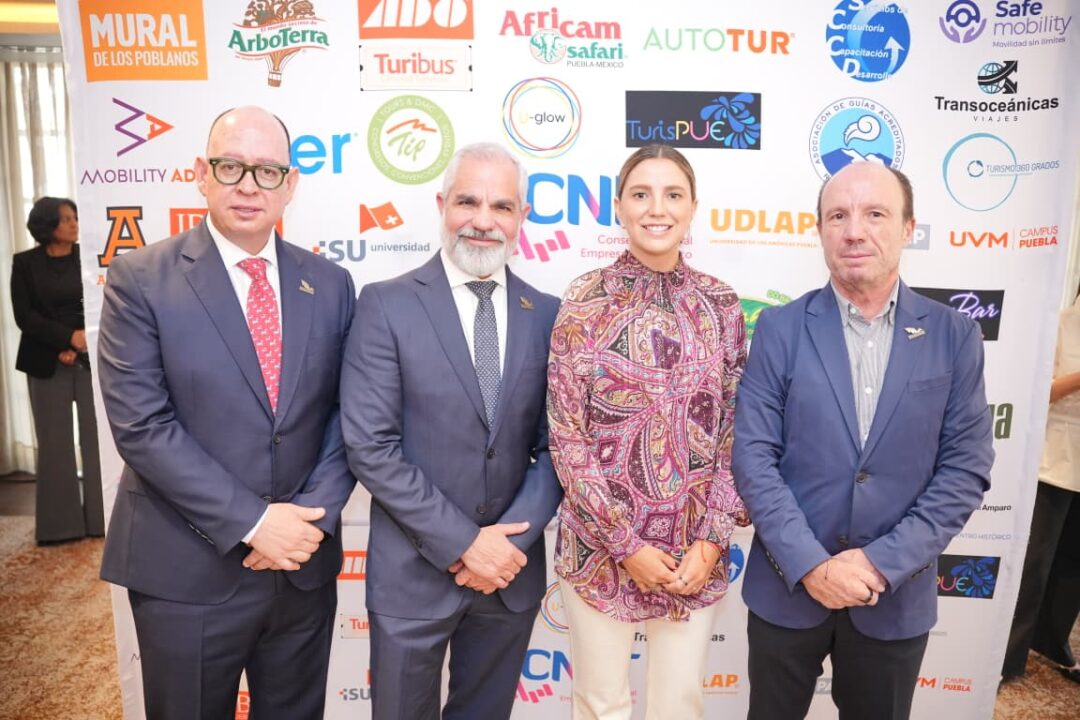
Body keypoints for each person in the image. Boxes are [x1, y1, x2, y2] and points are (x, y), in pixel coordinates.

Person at [96, 106, 356, 720]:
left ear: (290, 184)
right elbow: (142, 426)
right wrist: (254, 522)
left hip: (300, 570)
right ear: (201, 174)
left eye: (268, 171)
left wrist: (308, 524)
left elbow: (350, 417)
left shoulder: (331, 283)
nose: (249, 185)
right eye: (231, 166)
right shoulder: (140, 278)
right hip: (184, 570)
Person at [733, 161, 994, 720]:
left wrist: (878, 565)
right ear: (820, 230)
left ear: (908, 227)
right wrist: (812, 566)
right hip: (788, 589)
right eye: (838, 216)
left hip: (893, 598)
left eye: (875, 214)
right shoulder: (779, 328)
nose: (854, 231)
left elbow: (965, 469)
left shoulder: (954, 335)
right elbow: (753, 457)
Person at [340, 142, 562, 719]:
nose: (483, 221)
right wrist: (466, 544)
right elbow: (371, 446)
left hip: (508, 577)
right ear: (442, 205)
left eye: (501, 206)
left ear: (522, 216)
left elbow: (557, 448)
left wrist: (504, 547)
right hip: (412, 575)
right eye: (468, 201)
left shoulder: (549, 314)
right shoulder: (386, 305)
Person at [546, 144, 749, 720]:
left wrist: (712, 539)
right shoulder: (584, 301)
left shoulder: (721, 304)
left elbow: (737, 429)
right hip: (599, 549)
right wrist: (625, 545)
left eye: (672, 194)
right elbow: (566, 434)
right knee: (599, 705)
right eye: (641, 194)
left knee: (679, 706)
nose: (657, 208)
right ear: (619, 207)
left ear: (692, 208)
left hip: (694, 553)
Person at [11, 197, 104, 544]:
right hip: (45, 361)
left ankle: (101, 520)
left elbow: (100, 301)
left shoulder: (88, 257)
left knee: (96, 443)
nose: (74, 224)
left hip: (89, 359)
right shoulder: (24, 263)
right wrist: (65, 340)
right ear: (47, 224)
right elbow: (25, 316)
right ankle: (59, 528)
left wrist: (80, 341)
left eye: (75, 217)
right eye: (66, 219)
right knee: (54, 445)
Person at [1002, 286, 1080, 684]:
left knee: (1073, 566)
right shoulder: (1061, 323)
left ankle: (1052, 641)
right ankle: (1008, 656)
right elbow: (1039, 392)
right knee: (1035, 564)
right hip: (1054, 462)